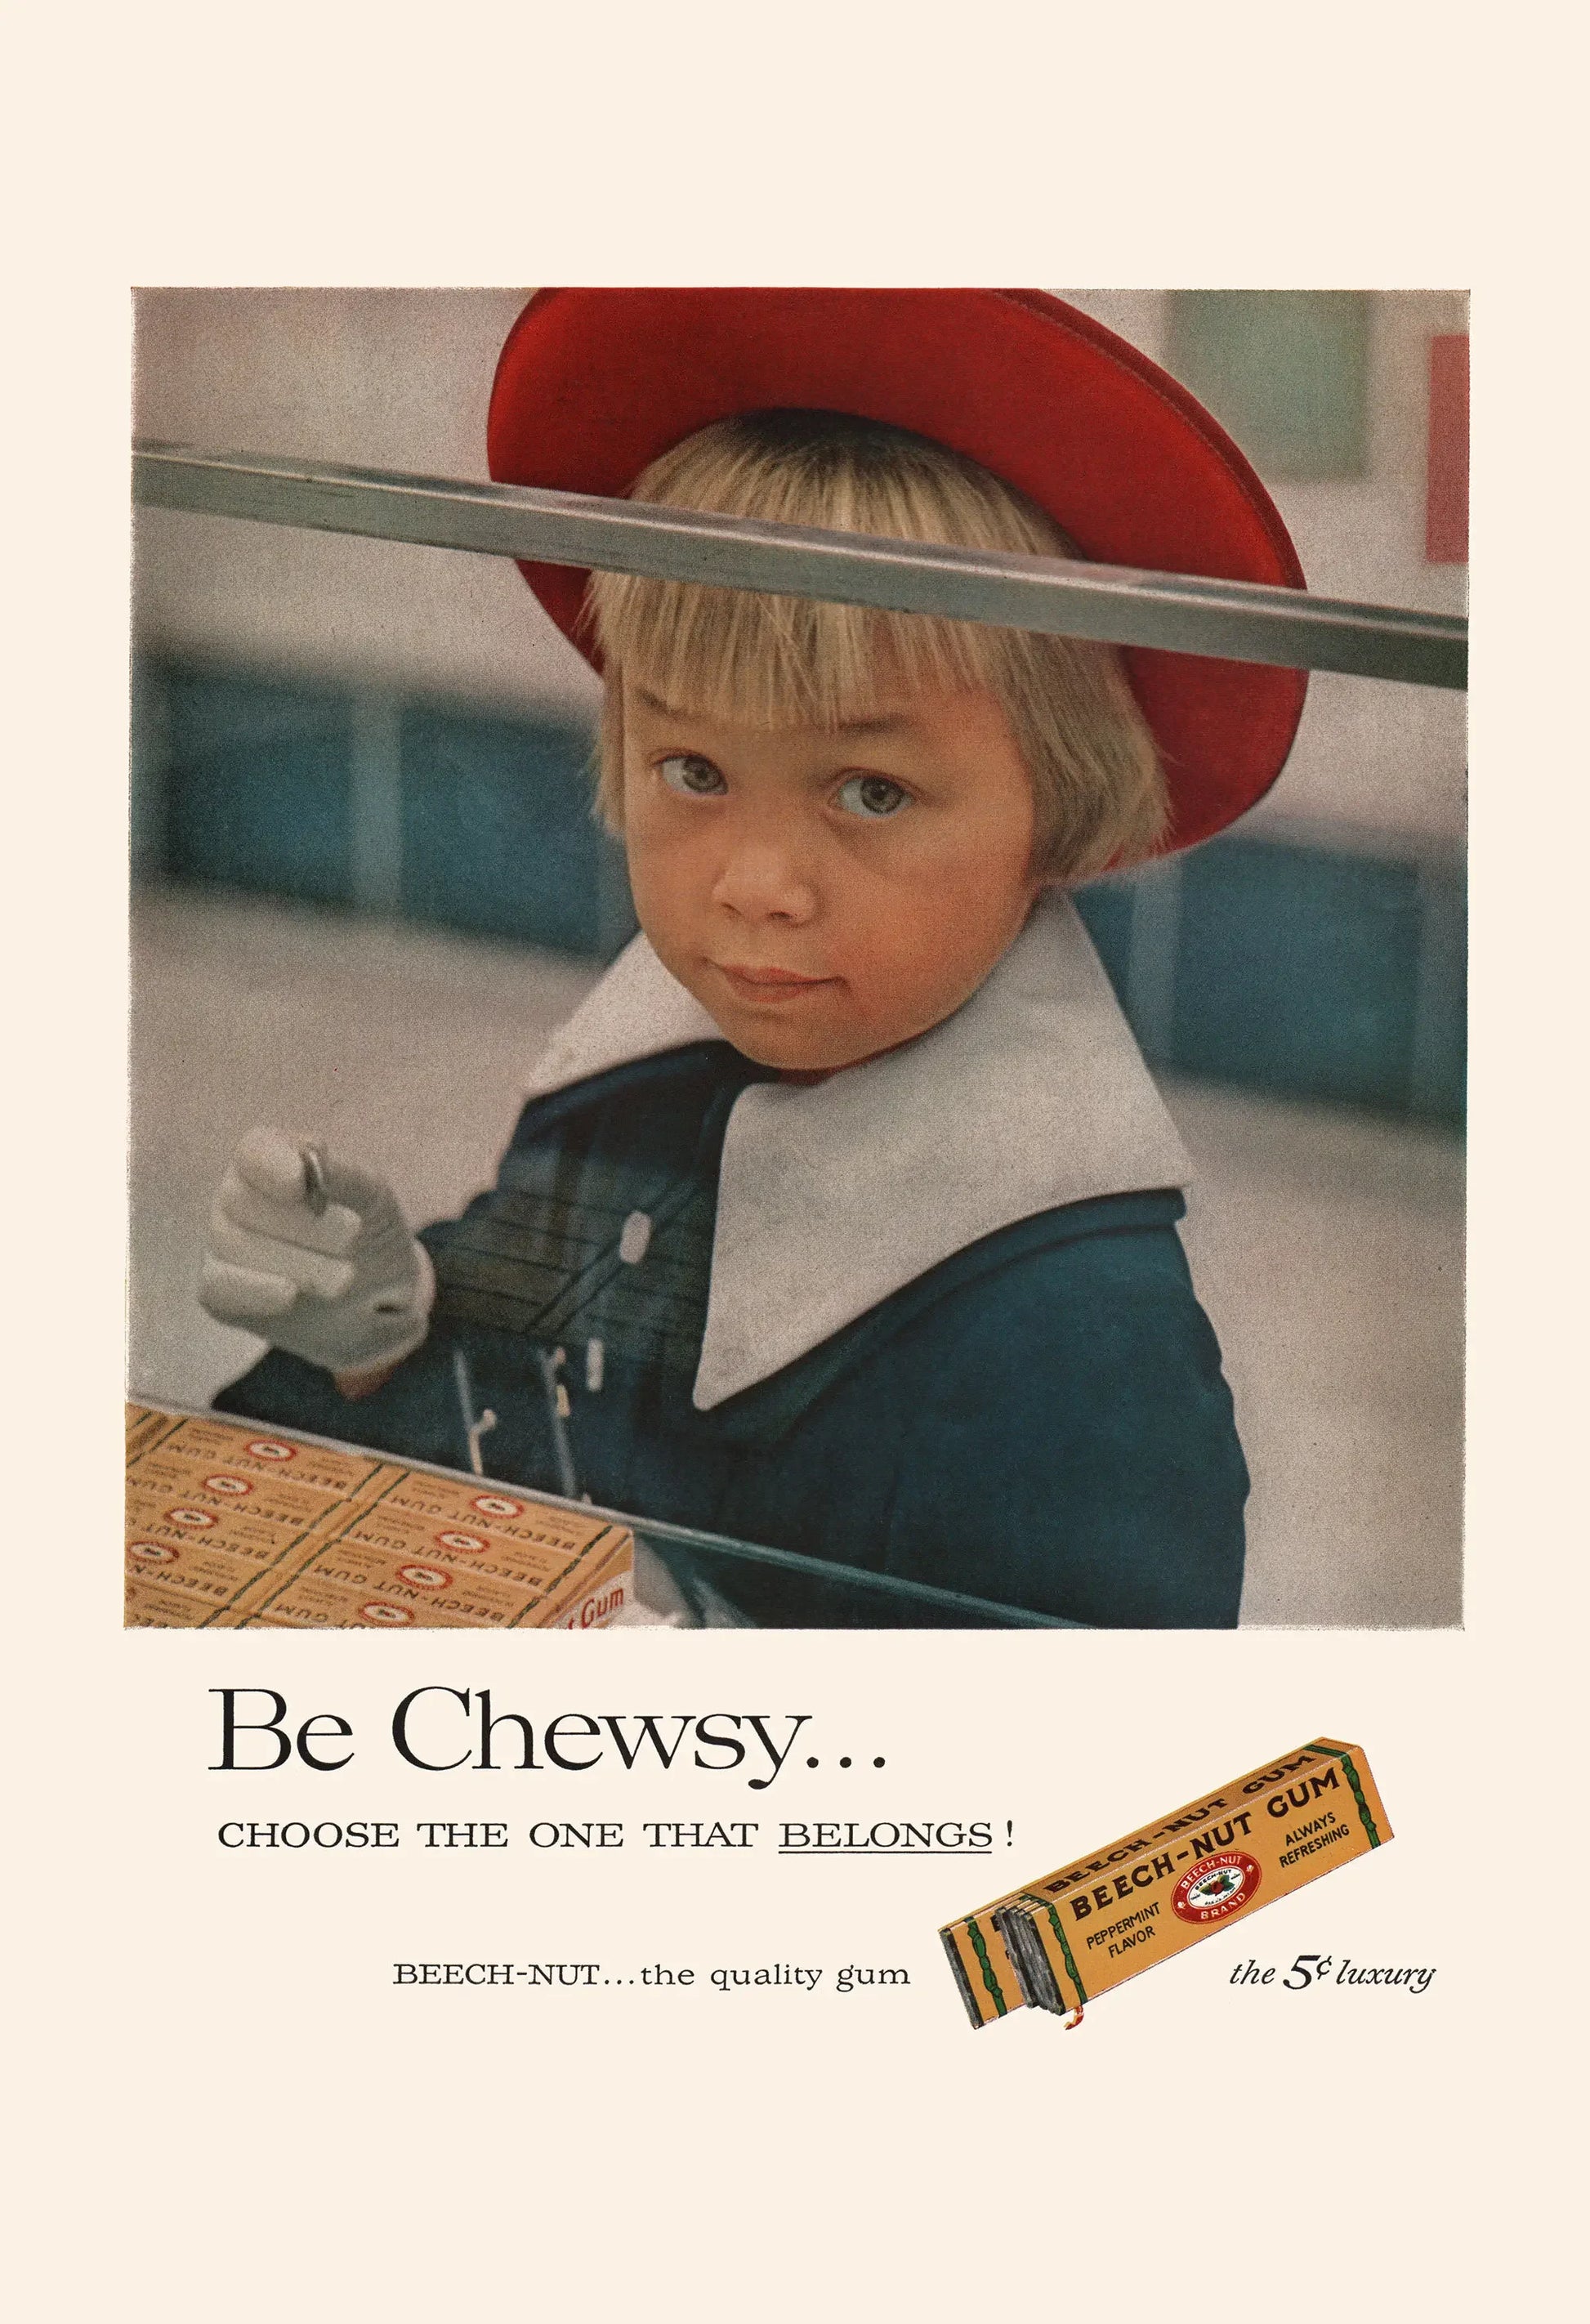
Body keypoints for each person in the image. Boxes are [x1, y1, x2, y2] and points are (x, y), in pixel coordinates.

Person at [200, 288, 1309, 1627]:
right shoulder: (631, 1087)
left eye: (873, 792)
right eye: (694, 767)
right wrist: (383, 1348)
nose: (756, 888)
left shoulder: (1076, 1341)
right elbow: (516, 1394)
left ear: (1060, 808)